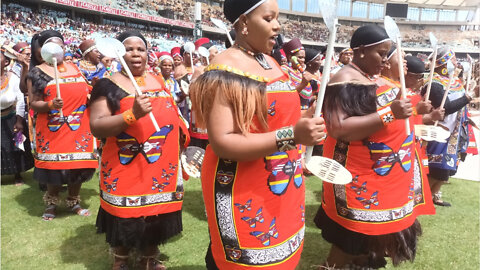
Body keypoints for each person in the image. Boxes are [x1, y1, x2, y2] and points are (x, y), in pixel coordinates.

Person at [189, 0, 325, 269]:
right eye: (268, 18)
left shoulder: (269, 61)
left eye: (277, 18)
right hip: (243, 185)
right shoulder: (225, 68)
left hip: (282, 180)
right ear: (243, 23)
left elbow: (273, 119)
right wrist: (292, 136)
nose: (277, 26)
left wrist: (304, 122)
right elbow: (224, 141)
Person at [314, 25, 433, 269]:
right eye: (380, 54)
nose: (384, 61)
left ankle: (361, 261)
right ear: (359, 51)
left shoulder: (372, 78)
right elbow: (339, 128)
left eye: (387, 54)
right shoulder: (344, 79)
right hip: (357, 176)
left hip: (381, 173)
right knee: (348, 240)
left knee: (366, 241)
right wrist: (390, 115)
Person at [90, 30, 189, 270]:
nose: (135, 54)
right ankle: (121, 258)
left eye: (140, 49)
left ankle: (149, 257)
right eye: (129, 49)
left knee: (157, 213)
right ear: (119, 53)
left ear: (148, 54)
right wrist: (131, 114)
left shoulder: (158, 80)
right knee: (126, 213)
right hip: (126, 162)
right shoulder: (106, 84)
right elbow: (97, 126)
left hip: (161, 163)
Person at [27, 30, 98, 220]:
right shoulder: (37, 72)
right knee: (54, 169)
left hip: (79, 128)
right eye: (52, 45)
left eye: (61, 45)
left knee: (78, 167)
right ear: (43, 49)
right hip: (53, 131)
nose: (57, 48)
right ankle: (51, 203)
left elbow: (86, 93)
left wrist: (93, 94)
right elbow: (33, 103)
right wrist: (50, 105)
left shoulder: (75, 68)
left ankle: (73, 201)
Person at [422, 46, 473, 207]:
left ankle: (433, 196)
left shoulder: (455, 81)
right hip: (440, 132)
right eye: (453, 59)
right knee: (438, 169)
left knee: (447, 171)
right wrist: (467, 97)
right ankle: (424, 199)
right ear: (443, 62)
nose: (456, 62)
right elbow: (446, 108)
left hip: (454, 133)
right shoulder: (434, 83)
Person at [1, 45, 34, 185]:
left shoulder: (13, 78)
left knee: (15, 146)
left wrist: (19, 120)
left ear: (6, 62)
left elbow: (20, 99)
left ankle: (17, 173)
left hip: (12, 116)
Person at [281, 38, 315, 110]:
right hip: (292, 111)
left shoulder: (300, 72)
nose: (303, 60)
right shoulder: (284, 70)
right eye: (300, 57)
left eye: (304, 58)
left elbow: (305, 98)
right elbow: (287, 94)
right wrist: (303, 84)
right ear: (290, 58)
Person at [159, 51, 188, 120]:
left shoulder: (173, 82)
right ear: (160, 66)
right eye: (164, 65)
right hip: (160, 112)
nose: (167, 67)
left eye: (169, 65)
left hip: (172, 111)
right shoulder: (156, 80)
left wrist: (183, 95)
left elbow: (177, 100)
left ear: (172, 67)